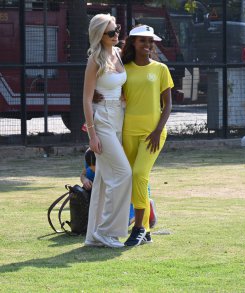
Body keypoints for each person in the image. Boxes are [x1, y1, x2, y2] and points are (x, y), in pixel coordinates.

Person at [120, 24, 173, 246]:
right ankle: (147, 230)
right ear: (133, 42)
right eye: (143, 40)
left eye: (150, 41)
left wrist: (158, 130)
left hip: (153, 133)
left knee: (140, 174)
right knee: (133, 178)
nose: (148, 44)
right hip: (128, 132)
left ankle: (139, 227)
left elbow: (168, 104)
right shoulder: (123, 69)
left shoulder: (160, 69)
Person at [82, 14, 132, 248]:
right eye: (111, 32)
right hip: (101, 118)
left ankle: (94, 235)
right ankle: (107, 231)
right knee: (123, 173)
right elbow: (86, 98)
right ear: (99, 35)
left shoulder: (119, 53)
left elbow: (120, 84)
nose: (116, 35)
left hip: (118, 116)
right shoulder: (94, 59)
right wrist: (92, 134)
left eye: (117, 30)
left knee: (103, 178)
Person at [80, 148, 135, 226]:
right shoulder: (90, 155)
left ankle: (141, 210)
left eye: (97, 170)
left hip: (120, 192)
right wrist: (84, 180)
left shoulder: (115, 161)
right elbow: (83, 174)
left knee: (122, 224)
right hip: (99, 193)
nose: (94, 171)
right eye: (92, 169)